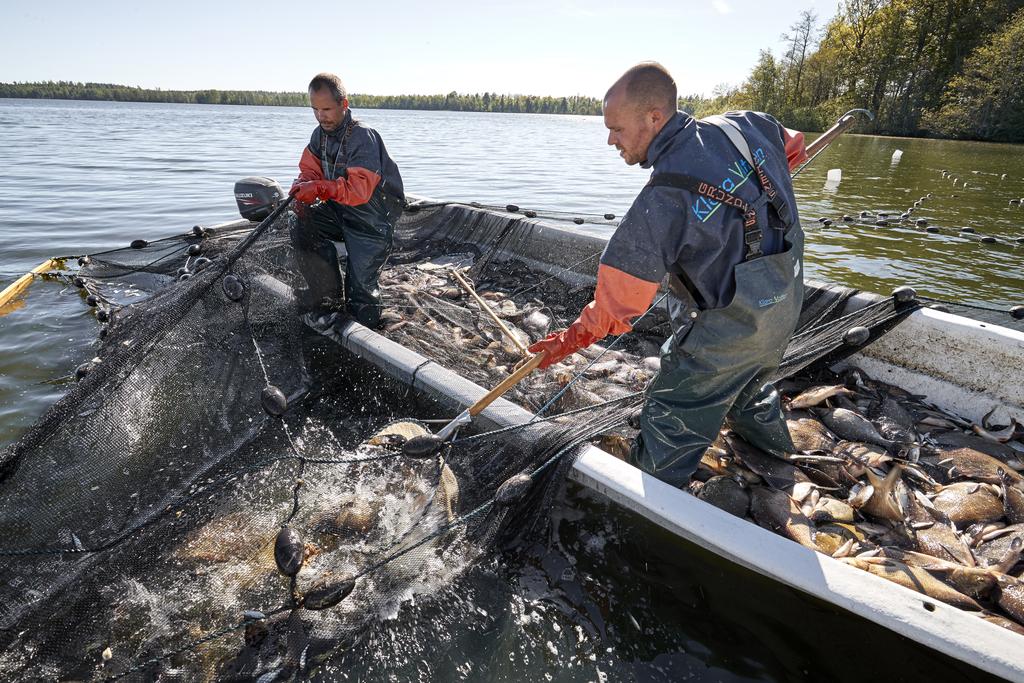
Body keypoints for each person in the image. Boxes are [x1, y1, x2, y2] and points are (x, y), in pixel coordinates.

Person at [528, 62, 809, 489]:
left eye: (617, 129)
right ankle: (778, 454)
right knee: (750, 381)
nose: (610, 140)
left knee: (676, 407)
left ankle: (655, 499)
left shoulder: (660, 202)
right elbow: (793, 149)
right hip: (784, 303)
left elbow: (613, 311)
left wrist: (563, 343)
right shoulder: (748, 124)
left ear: (654, 117)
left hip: (727, 334)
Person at [289, 72, 405, 329]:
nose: (321, 116)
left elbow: (360, 190)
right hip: (340, 210)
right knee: (299, 218)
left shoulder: (362, 136)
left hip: (373, 220)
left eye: (327, 109)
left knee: (361, 291)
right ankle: (327, 298)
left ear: (344, 104)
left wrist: (317, 187)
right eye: (315, 110)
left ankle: (368, 327)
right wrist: (303, 185)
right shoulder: (318, 135)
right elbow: (310, 169)